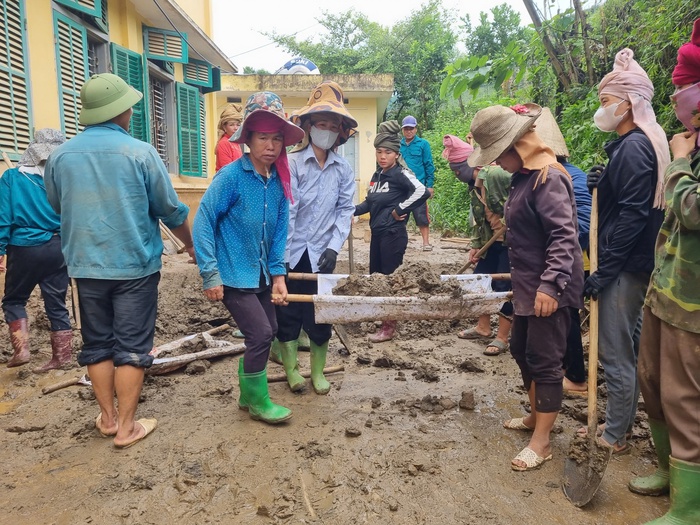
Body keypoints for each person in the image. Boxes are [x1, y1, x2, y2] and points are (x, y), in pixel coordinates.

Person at [45, 73, 194, 448]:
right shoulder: (141, 153)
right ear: (122, 111)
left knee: (97, 343)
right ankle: (127, 428)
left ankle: (108, 419)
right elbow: (170, 210)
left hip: (84, 266)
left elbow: (56, 205)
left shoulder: (60, 156)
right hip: (135, 266)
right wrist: (192, 246)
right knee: (132, 346)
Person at [469, 103, 584, 471]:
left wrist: (550, 287)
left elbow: (565, 237)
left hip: (551, 288)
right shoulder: (523, 178)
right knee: (520, 348)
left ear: (517, 145)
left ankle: (543, 441)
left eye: (499, 155)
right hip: (527, 286)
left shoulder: (548, 177)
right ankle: (536, 417)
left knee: (546, 361)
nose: (496, 164)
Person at [193, 92, 304, 423]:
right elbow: (203, 221)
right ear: (248, 139)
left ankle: (246, 394)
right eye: (262, 137)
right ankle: (258, 402)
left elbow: (279, 234)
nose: (270, 145)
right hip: (232, 272)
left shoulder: (279, 181)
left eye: (276, 138)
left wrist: (279, 276)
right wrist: (209, 274)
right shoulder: (231, 177)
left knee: (269, 327)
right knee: (260, 334)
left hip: (260, 275)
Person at [584, 48, 670, 454]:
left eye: (606, 102)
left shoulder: (635, 147)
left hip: (626, 266)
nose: (602, 109)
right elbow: (624, 203)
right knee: (628, 348)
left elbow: (635, 216)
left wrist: (606, 270)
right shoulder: (629, 146)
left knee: (616, 353)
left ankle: (615, 435)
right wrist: (603, 180)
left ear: (628, 103)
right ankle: (623, 421)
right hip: (632, 264)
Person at [632, 19, 700, 524]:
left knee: (685, 398)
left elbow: (694, 210)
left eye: (682, 89)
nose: (676, 98)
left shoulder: (685, 153)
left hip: (693, 305)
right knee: (653, 383)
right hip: (667, 290)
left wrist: (677, 164)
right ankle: (665, 470)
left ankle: (689, 506)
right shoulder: (691, 144)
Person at [274, 81, 357, 394]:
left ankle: (318, 373)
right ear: (308, 127)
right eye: (321, 124)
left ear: (340, 132)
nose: (327, 130)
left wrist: (334, 248)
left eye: (333, 125)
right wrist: (281, 258)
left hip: (323, 254)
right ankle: (293, 371)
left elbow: (344, 209)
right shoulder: (294, 163)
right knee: (288, 313)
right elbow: (290, 212)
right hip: (293, 252)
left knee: (320, 315)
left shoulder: (343, 169)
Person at [1, 129, 72, 372]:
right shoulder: (65, 180)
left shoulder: (12, 177)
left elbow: (4, 218)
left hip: (24, 248)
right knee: (56, 303)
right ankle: (62, 357)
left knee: (14, 299)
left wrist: (0, 249)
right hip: (58, 247)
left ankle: (21, 350)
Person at [354, 120, 430, 343]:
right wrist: (351, 211)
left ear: (396, 154)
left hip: (393, 235)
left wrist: (400, 209)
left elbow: (421, 191)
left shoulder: (400, 174)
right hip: (377, 234)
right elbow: (369, 203)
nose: (382, 156)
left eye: (387, 152)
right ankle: (383, 319)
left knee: (390, 279)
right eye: (379, 152)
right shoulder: (377, 176)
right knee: (377, 278)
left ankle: (389, 327)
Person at [534, 108, 592, 396]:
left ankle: (577, 377)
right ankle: (568, 371)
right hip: (555, 259)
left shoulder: (569, 176)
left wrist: (556, 254)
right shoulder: (540, 175)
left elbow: (580, 225)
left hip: (570, 259)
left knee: (567, 315)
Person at [444, 134, 513, 356]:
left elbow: (521, 198)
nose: (455, 175)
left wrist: (510, 223)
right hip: (490, 241)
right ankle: (483, 327)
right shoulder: (474, 185)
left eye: (456, 170)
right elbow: (479, 219)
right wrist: (476, 245)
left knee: (505, 288)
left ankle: (502, 337)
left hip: (511, 242)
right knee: (481, 281)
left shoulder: (496, 175)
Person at [400, 116, 435, 251]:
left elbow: (429, 165)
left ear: (415, 129)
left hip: (419, 187)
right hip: (402, 187)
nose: (409, 131)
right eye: (406, 129)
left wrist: (430, 185)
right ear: (402, 130)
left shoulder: (423, 144)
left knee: (421, 215)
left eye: (411, 128)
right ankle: (401, 243)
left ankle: (426, 243)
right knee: (401, 215)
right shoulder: (398, 145)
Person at [215, 103, 243, 172]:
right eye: (232, 125)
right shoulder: (224, 143)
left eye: (238, 125)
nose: (236, 128)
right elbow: (228, 171)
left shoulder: (235, 142)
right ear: (224, 127)